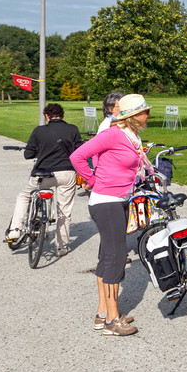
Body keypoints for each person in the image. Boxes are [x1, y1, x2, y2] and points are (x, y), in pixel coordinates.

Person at [69, 94, 153, 337]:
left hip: (119, 200)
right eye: (144, 112)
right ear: (133, 116)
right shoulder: (112, 133)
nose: (148, 115)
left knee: (107, 255)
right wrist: (94, 180)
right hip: (106, 202)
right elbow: (77, 157)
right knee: (115, 258)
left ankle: (102, 314)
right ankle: (112, 321)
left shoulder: (130, 136)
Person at [5, 103, 84, 256]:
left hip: (44, 174)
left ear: (46, 116)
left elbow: (28, 154)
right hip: (67, 173)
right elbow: (79, 151)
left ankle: (15, 229)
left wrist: (40, 152)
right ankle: (61, 247)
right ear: (62, 115)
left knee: (24, 196)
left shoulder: (39, 131)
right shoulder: (72, 129)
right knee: (64, 210)